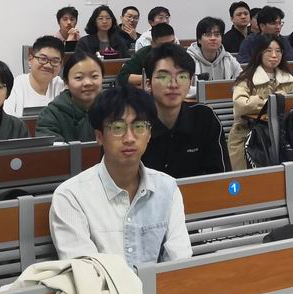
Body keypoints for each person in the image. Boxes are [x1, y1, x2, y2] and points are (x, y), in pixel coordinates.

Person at [49, 86, 190, 266]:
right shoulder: (71, 196)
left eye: (139, 126)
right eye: (117, 127)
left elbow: (180, 263)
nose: (129, 138)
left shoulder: (167, 188)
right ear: (99, 136)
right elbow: (85, 273)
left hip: (162, 285)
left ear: (149, 134)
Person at [142, 43, 228, 177]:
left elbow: (221, 177)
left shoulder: (204, 118)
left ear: (190, 83)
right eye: (163, 77)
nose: (173, 85)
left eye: (182, 77)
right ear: (148, 84)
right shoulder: (136, 122)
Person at [228, 34, 293, 169]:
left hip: (281, 135)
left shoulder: (287, 78)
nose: (274, 55)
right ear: (259, 53)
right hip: (248, 136)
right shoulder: (247, 78)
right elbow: (241, 104)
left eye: (278, 51)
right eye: (268, 51)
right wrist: (271, 101)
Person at [36, 50, 104, 143]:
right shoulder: (51, 115)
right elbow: (53, 150)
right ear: (66, 82)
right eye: (79, 77)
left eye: (94, 76)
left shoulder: (115, 109)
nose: (88, 83)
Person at [4, 36, 65, 115]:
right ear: (30, 59)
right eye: (43, 59)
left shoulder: (60, 86)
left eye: (55, 61)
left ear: (61, 65)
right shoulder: (15, 87)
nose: (48, 65)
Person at [120, 22, 176, 88]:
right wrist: (152, 78)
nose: (168, 48)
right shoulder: (143, 54)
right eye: (163, 45)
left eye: (171, 43)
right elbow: (122, 77)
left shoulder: (179, 53)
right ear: (153, 44)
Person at [186, 16, 241, 83]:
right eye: (208, 34)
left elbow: (242, 80)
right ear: (199, 40)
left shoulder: (229, 59)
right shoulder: (188, 60)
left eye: (217, 34)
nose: (213, 38)